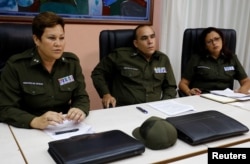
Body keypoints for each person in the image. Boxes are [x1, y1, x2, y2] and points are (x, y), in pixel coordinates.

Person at [0, 11, 90, 129]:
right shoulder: (16, 65)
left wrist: (79, 109)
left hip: (63, 125)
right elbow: (4, 108)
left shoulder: (71, 63)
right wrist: (34, 121)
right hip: (28, 128)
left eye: (61, 38)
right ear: (37, 40)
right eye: (52, 38)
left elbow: (81, 96)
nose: (58, 44)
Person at [91, 25, 177, 108]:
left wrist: (164, 104)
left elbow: (170, 86)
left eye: (152, 36)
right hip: (125, 109)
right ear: (136, 43)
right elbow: (97, 73)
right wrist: (106, 94)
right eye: (144, 38)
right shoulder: (120, 55)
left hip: (154, 109)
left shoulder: (162, 59)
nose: (150, 41)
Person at [179, 27, 250, 96]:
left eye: (217, 39)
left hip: (225, 98)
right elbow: (183, 83)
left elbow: (246, 81)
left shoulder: (232, 58)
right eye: (209, 41)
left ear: (222, 40)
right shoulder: (196, 58)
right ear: (205, 46)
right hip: (202, 96)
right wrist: (188, 91)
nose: (214, 43)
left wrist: (242, 90)